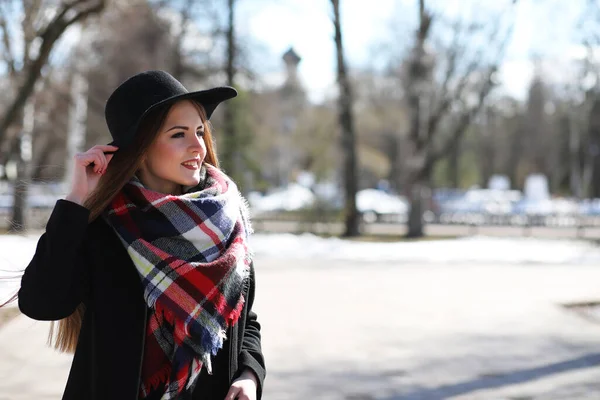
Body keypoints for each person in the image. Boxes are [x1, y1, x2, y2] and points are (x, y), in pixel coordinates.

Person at [17, 70, 266, 400]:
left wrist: (249, 373)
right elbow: (40, 303)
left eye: (200, 131)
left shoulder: (227, 222)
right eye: (179, 134)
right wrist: (75, 202)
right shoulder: (103, 230)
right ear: (141, 147)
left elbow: (244, 319)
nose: (198, 146)